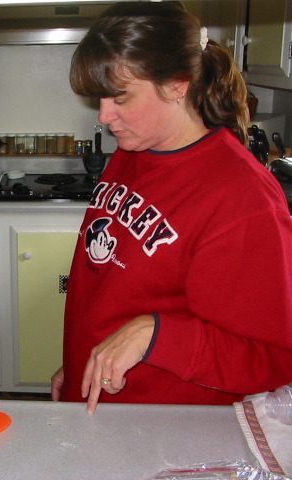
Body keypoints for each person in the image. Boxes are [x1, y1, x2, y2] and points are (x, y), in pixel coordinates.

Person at [51, 1, 292, 413]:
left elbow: (276, 357)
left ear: (178, 85)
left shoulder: (242, 199)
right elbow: (111, 285)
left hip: (165, 434)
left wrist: (155, 335)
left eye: (120, 98)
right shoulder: (134, 151)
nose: (105, 116)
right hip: (99, 408)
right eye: (101, 99)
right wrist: (75, 366)